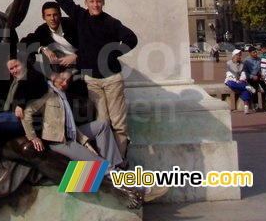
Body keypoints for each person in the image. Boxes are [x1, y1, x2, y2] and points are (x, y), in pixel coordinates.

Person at [29, 0, 137, 159]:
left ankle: (120, 162)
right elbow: (64, 1)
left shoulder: (110, 22)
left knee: (118, 124)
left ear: (102, 3)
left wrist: (112, 53)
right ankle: (108, 162)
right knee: (102, 122)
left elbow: (131, 39)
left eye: (98, 1)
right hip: (92, 81)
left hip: (111, 79)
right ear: (86, 3)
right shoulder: (80, 16)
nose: (95, 5)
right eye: (91, 1)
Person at [21, 70, 167, 204]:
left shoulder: (61, 93)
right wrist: (33, 137)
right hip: (59, 141)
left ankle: (111, 168)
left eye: (67, 81)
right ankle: (141, 188)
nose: (65, 83)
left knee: (102, 126)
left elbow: (69, 125)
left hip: (72, 134)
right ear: (54, 76)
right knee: (99, 163)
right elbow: (27, 113)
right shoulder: (46, 93)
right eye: (63, 79)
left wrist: (84, 142)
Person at [224, 49, 256, 114]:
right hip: (232, 80)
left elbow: (243, 73)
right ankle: (246, 87)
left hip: (241, 81)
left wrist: (241, 79)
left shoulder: (242, 64)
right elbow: (229, 74)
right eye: (238, 55)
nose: (239, 57)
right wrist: (236, 80)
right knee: (230, 84)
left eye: (240, 55)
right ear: (234, 56)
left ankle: (246, 107)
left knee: (245, 91)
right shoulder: (229, 63)